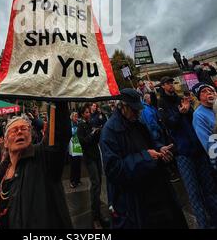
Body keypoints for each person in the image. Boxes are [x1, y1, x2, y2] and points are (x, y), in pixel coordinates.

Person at [100, 88, 187, 229]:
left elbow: (150, 144)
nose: (137, 113)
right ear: (122, 106)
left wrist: (160, 150)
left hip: (158, 194)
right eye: (134, 110)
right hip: (136, 202)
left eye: (138, 109)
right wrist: (146, 157)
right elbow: (113, 169)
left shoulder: (138, 123)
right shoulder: (110, 132)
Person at [0, 103, 72, 229]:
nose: (19, 132)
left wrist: (56, 96)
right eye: (14, 131)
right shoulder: (0, 174)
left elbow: (59, 134)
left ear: (30, 136)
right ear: (5, 142)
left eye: (24, 129)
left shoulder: (43, 157)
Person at [159, 76, 217, 228]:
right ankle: (203, 225)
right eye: (167, 83)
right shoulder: (162, 104)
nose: (171, 85)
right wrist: (180, 113)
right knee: (194, 193)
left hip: (198, 149)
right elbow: (169, 123)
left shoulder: (180, 98)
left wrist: (189, 108)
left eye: (171, 82)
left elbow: (194, 120)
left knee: (209, 189)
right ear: (163, 86)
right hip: (183, 153)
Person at [77, 103, 109, 229]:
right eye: (86, 112)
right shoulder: (80, 126)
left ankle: (98, 213)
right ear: (81, 114)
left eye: (89, 112)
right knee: (95, 184)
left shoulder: (90, 123)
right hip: (89, 158)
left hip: (96, 156)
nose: (88, 114)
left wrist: (97, 133)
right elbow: (83, 142)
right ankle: (95, 217)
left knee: (99, 183)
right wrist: (92, 134)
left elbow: (95, 140)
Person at [192, 82, 217, 170]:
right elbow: (208, 143)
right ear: (199, 98)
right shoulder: (199, 115)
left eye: (210, 90)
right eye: (204, 91)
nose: (209, 92)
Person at [69, 112, 82, 188]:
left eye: (77, 116)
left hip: (78, 146)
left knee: (78, 163)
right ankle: (73, 180)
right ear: (72, 117)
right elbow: (71, 133)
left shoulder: (79, 123)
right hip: (72, 147)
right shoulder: (70, 124)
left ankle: (78, 179)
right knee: (73, 164)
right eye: (75, 116)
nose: (76, 117)